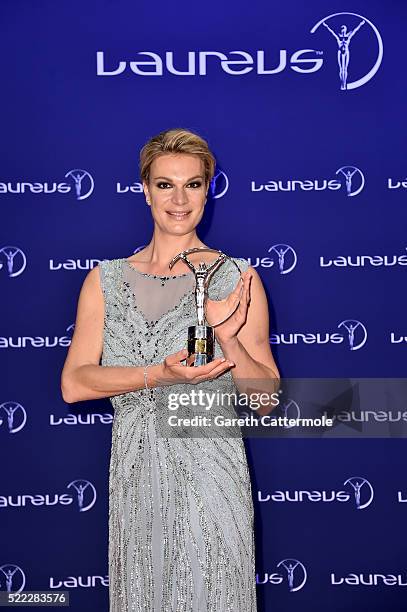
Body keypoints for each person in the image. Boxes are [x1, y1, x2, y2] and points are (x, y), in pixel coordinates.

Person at [61, 128, 280, 611]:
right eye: (165, 185)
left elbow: (265, 399)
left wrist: (227, 334)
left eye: (193, 184)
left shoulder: (237, 278)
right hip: (135, 473)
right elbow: (74, 383)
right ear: (145, 190)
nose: (179, 199)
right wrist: (157, 375)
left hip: (210, 472)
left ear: (208, 190)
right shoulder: (104, 280)